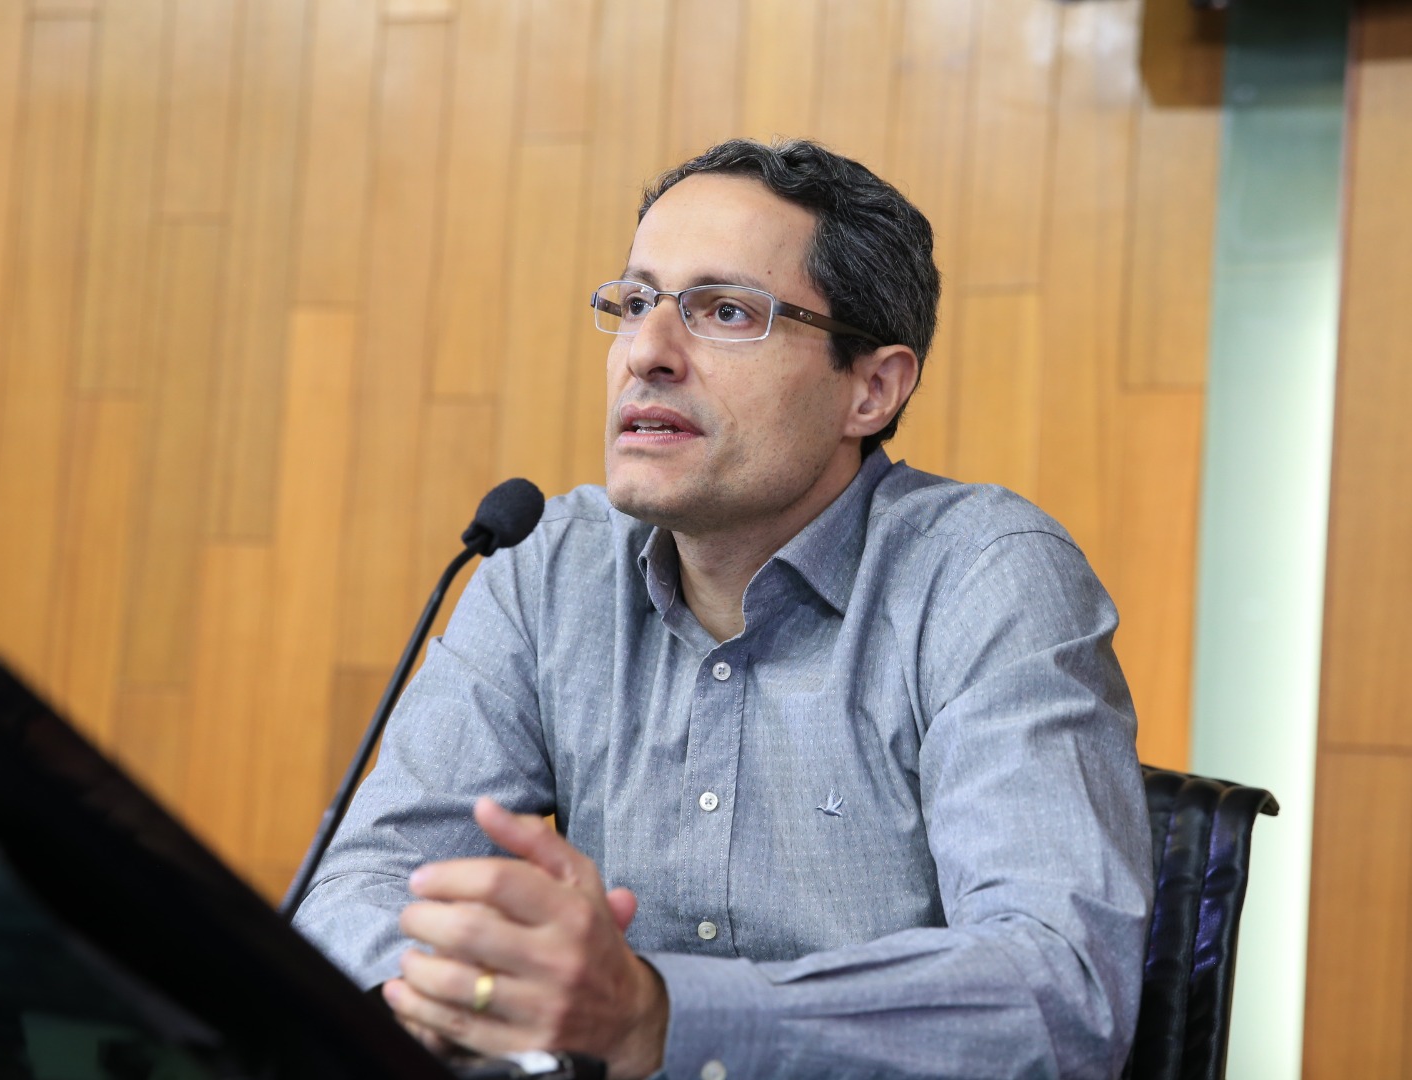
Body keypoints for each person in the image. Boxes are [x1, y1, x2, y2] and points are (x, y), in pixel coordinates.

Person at [292, 138, 1153, 1080]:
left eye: (727, 312)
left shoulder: (985, 578)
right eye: (634, 304)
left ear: (871, 389)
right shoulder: (546, 565)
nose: (647, 355)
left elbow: (1059, 995)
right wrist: (462, 997)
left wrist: (659, 1017)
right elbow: (361, 883)